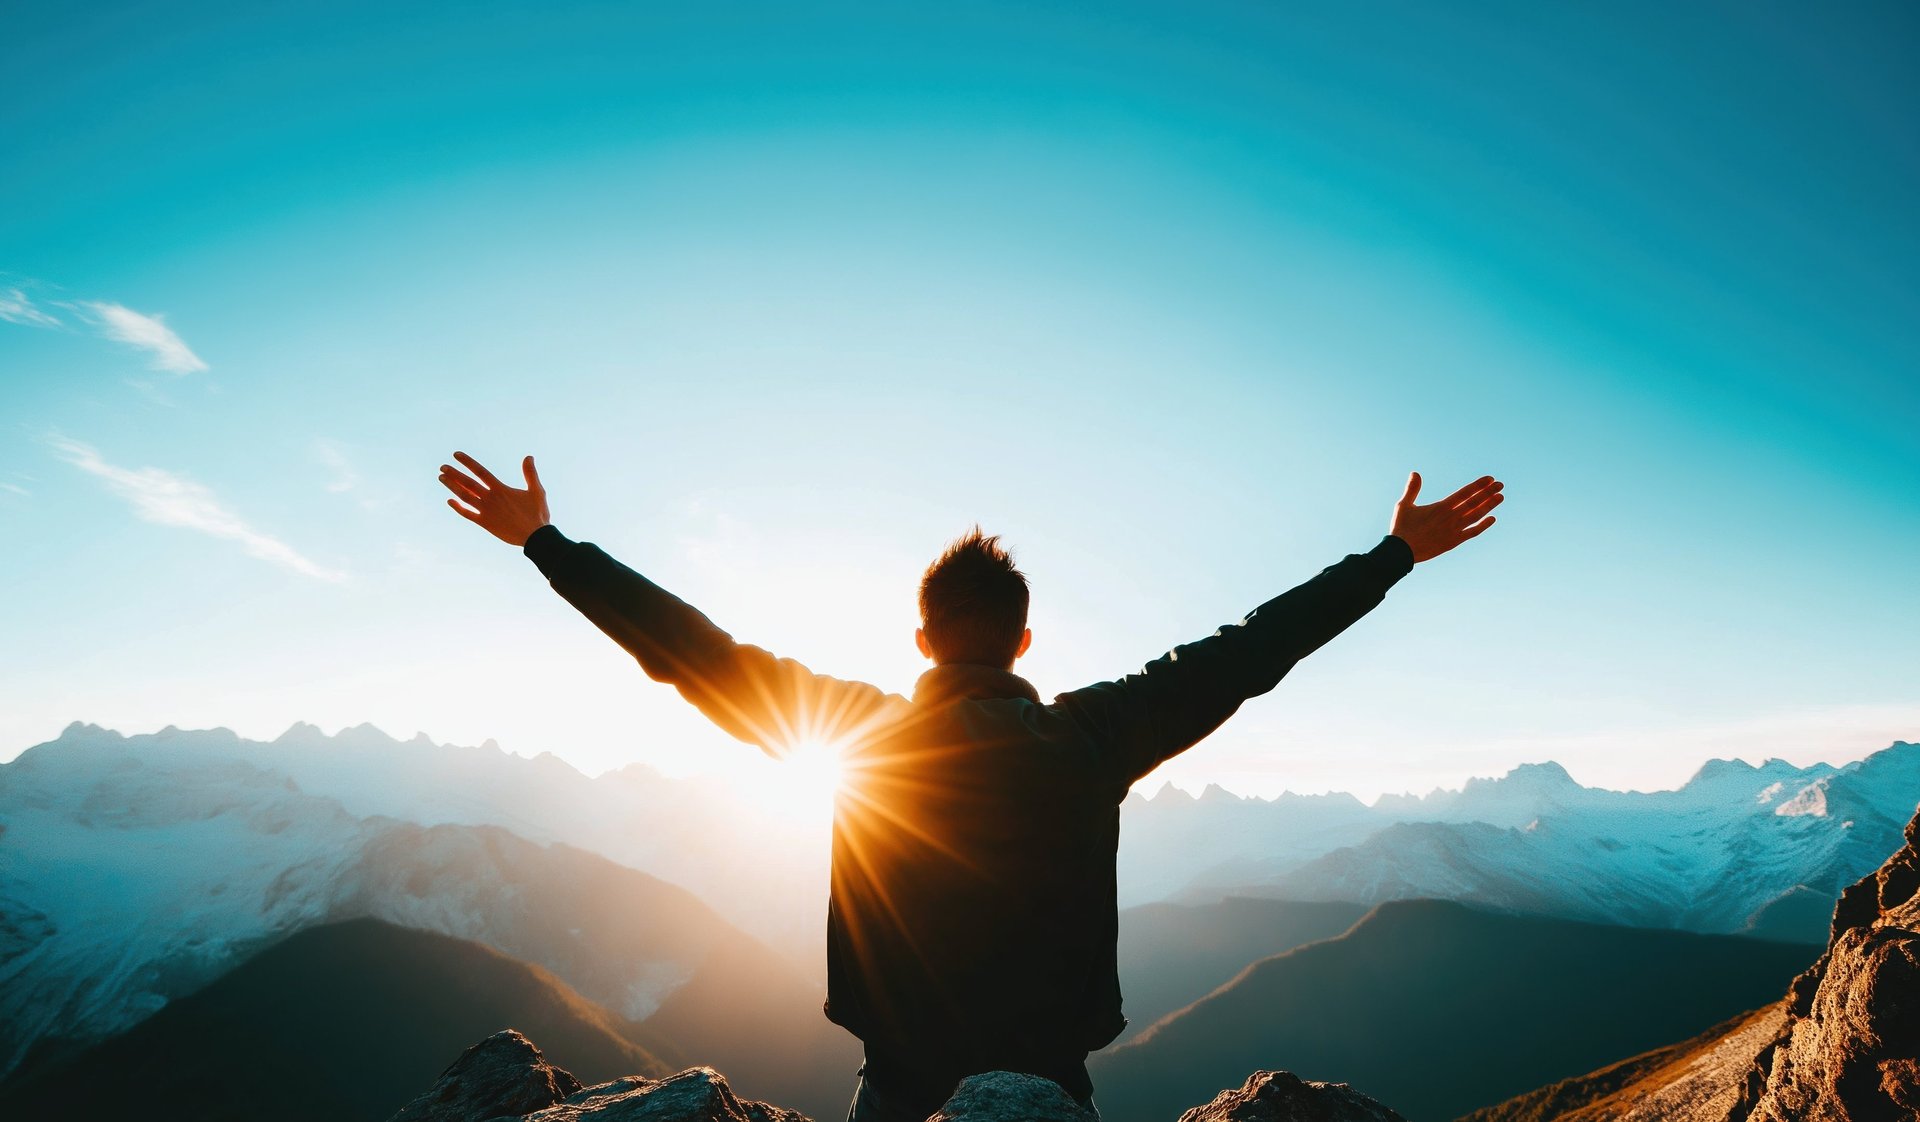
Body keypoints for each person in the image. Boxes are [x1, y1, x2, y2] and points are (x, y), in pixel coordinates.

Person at [439, 451, 1503, 1122]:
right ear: (1026, 640)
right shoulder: (1097, 734)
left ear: (920, 640)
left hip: (897, 1093)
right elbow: (1250, 650)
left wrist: (546, 543)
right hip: (1052, 1091)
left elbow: (694, 652)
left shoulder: (858, 736)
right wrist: (1393, 554)